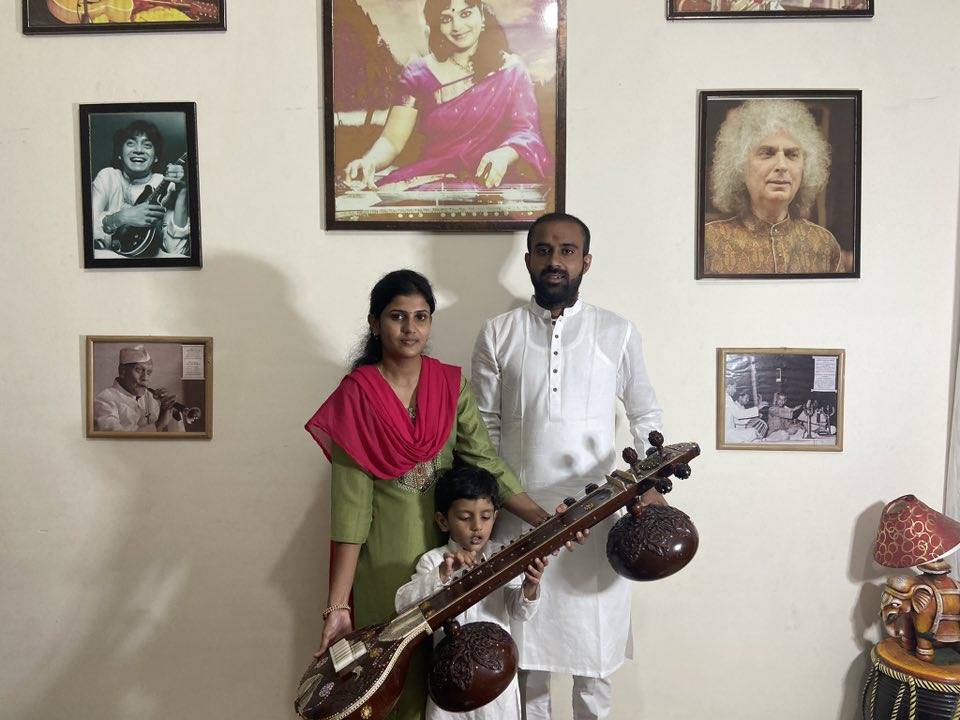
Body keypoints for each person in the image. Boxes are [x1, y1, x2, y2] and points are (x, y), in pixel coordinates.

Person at [305, 269, 555, 720]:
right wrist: (338, 605)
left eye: (421, 317)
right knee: (395, 683)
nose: (410, 328)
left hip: (450, 551)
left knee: (451, 675)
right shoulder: (356, 396)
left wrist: (541, 519)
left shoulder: (449, 385)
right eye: (397, 316)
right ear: (375, 322)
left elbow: (485, 462)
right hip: (386, 562)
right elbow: (350, 510)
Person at [471, 213, 665, 720]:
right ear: (528, 259)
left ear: (586, 261)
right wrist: (510, 507)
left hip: (595, 521)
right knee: (527, 665)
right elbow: (482, 432)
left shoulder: (617, 331)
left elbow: (646, 416)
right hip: (520, 520)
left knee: (594, 666)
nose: (554, 261)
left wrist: (649, 485)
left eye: (567, 251)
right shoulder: (498, 334)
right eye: (544, 250)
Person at [343, 0, 552, 192]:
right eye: (446, 19)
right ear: (437, 25)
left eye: (466, 14)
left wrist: (505, 154)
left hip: (492, 183)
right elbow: (392, 140)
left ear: (482, 15)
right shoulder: (418, 73)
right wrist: (369, 161)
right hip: (430, 182)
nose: (457, 26)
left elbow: (525, 131)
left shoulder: (510, 70)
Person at [395, 464, 549, 720]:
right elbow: (403, 604)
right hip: (452, 685)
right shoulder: (433, 562)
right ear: (443, 521)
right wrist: (443, 574)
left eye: (485, 517)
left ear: (495, 517)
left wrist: (530, 586)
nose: (477, 526)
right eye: (465, 518)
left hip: (497, 681)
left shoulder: (503, 556)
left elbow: (519, 612)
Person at [704, 99, 842, 274]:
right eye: (767, 153)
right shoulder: (709, 242)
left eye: (792, 155)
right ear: (739, 167)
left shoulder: (824, 245)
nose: (782, 165)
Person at [91, 119, 190, 257]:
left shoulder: (165, 184)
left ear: (156, 157)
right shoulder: (108, 177)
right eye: (131, 143)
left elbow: (174, 250)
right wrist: (121, 217)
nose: (138, 150)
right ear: (120, 153)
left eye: (147, 145)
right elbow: (86, 230)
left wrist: (182, 190)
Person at [93, 345, 185, 432]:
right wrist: (158, 425)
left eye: (148, 372)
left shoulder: (150, 396)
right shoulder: (103, 402)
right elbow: (117, 439)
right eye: (139, 370)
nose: (145, 378)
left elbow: (176, 435)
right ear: (122, 371)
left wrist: (172, 411)